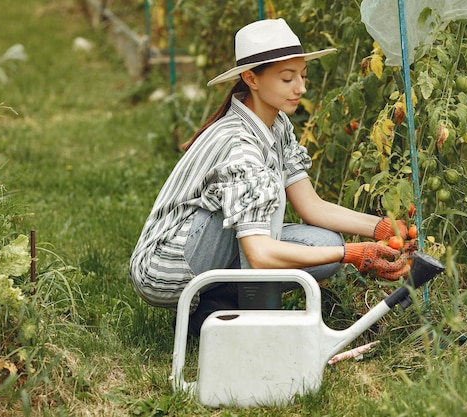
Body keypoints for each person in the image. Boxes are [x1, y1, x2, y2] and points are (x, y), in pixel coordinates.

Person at [129, 18, 411, 336]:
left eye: (302, 76)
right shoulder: (239, 143)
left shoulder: (276, 126)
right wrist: (353, 254)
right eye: (287, 78)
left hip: (207, 251)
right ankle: (257, 327)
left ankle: (213, 308)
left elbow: (312, 206)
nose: (301, 88)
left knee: (325, 246)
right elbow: (260, 254)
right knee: (275, 198)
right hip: (166, 268)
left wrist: (379, 228)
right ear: (251, 78)